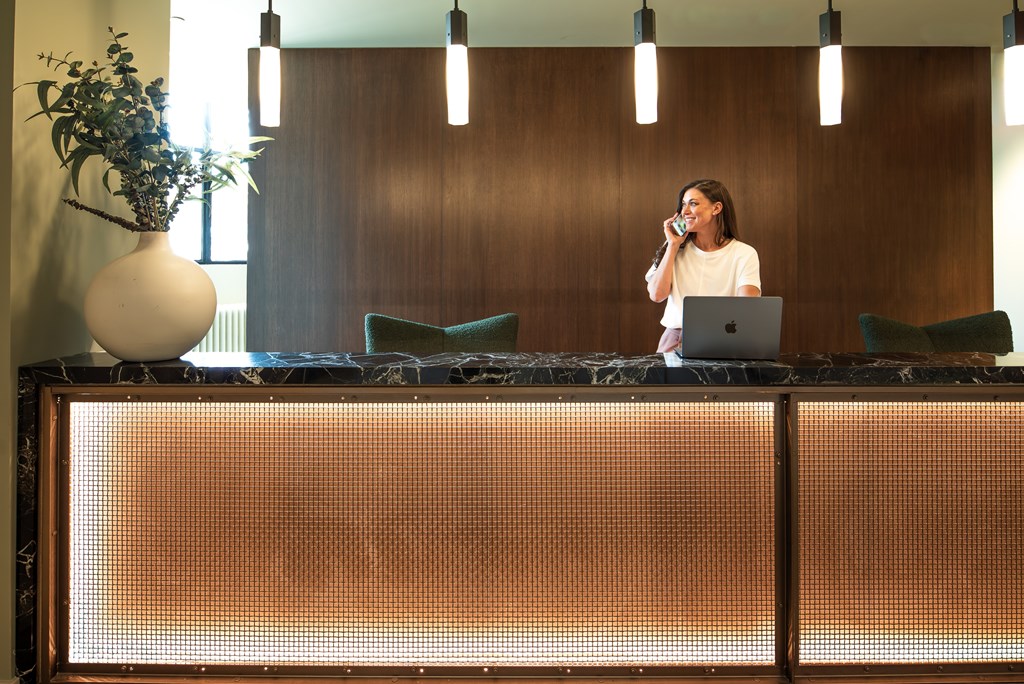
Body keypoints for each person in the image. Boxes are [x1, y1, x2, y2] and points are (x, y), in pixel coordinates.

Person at [645, 178, 761, 353]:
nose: (685, 211)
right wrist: (673, 245)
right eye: (683, 205)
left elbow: (748, 309)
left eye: (693, 203)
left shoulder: (744, 253)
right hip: (675, 340)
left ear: (716, 208)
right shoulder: (674, 247)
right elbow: (656, 294)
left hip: (724, 339)